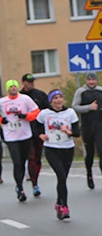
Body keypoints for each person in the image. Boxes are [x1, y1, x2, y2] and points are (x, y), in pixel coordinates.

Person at [32, 90, 80, 220]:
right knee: (61, 176)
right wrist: (41, 135)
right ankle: (64, 206)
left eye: (60, 98)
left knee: (63, 178)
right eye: (55, 98)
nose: (58, 100)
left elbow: (77, 132)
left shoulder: (70, 113)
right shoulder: (44, 114)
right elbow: (36, 127)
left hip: (67, 149)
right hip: (52, 149)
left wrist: (68, 131)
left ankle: (59, 202)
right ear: (50, 101)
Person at [0, 79, 39, 202]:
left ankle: (21, 184)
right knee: (17, 162)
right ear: (7, 89)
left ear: (17, 88)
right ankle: (20, 188)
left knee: (23, 162)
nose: (13, 88)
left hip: (25, 135)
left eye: (14, 86)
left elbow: (36, 111)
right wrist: (1, 120)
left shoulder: (25, 99)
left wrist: (26, 116)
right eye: (10, 87)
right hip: (11, 136)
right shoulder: (2, 101)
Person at [72, 72, 102, 190]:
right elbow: (75, 106)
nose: (91, 82)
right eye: (89, 80)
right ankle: (89, 175)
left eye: (93, 80)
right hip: (87, 126)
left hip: (100, 125)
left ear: (96, 80)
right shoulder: (81, 92)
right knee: (90, 154)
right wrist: (89, 107)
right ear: (86, 81)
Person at [20, 73, 48, 196]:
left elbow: (48, 110)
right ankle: (34, 183)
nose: (31, 84)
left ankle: (35, 178)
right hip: (24, 132)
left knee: (37, 158)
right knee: (30, 157)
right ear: (23, 83)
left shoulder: (40, 95)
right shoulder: (19, 97)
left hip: (39, 130)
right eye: (29, 82)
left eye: (33, 81)